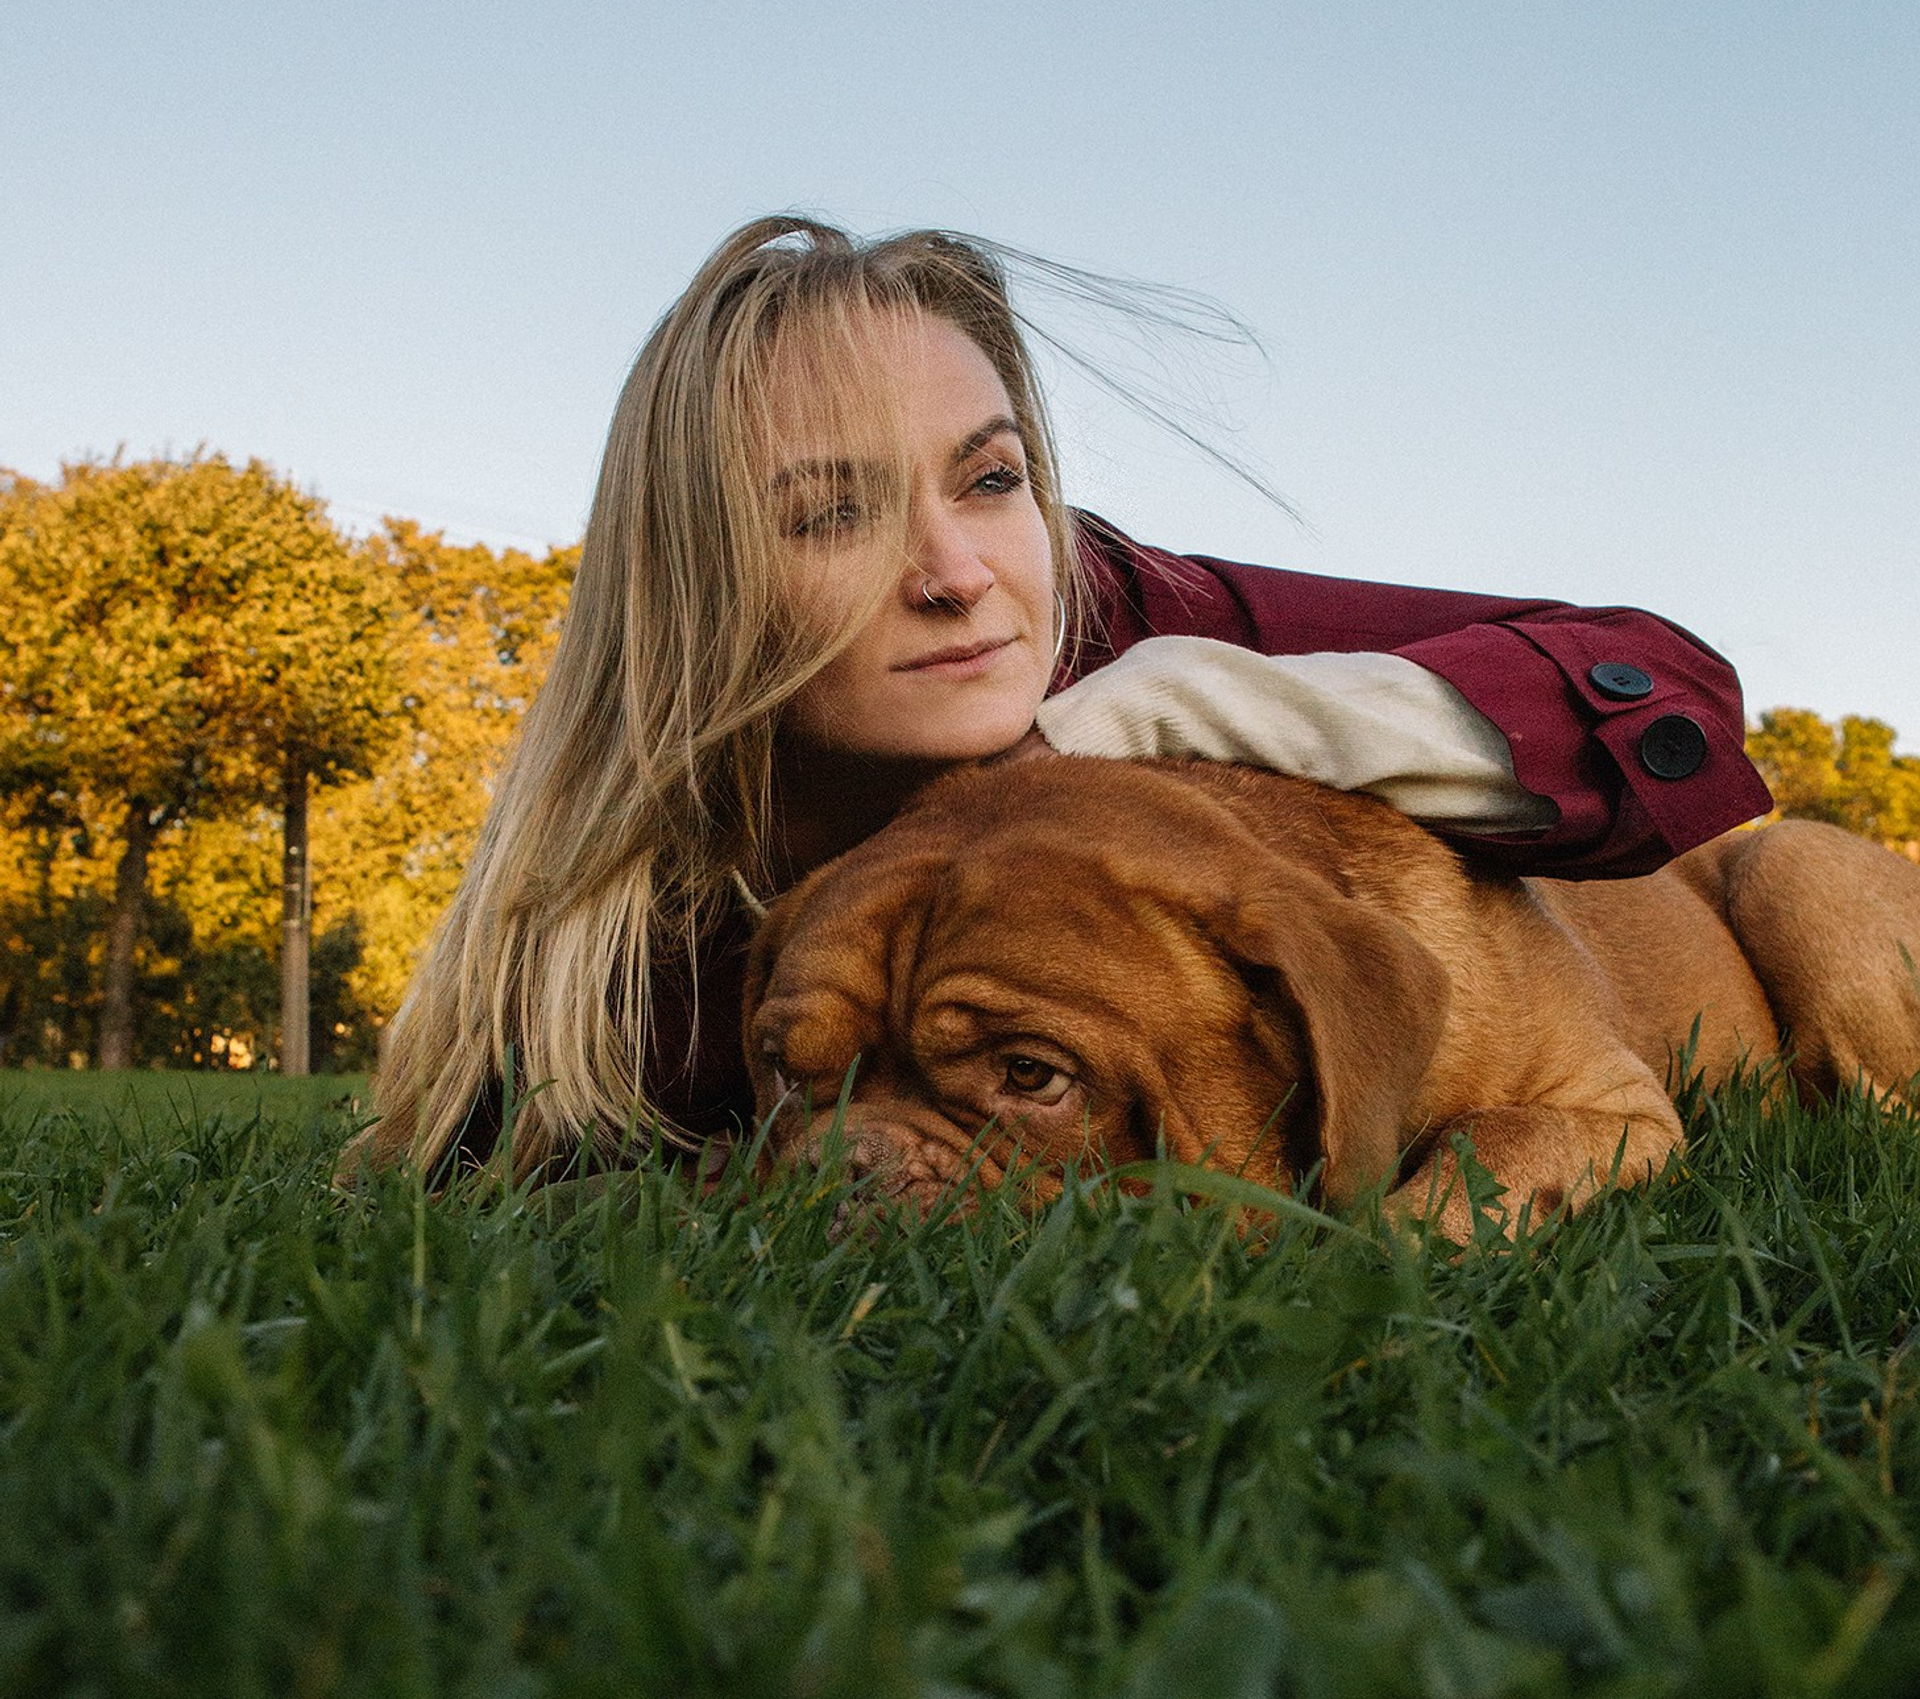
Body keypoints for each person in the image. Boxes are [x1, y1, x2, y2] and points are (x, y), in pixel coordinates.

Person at [352, 215, 1772, 1183]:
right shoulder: (641, 940)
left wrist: (1172, 708)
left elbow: (1670, 694)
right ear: (697, 591)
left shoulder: (1117, 613)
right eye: (831, 514)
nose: (960, 575)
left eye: (989, 477)